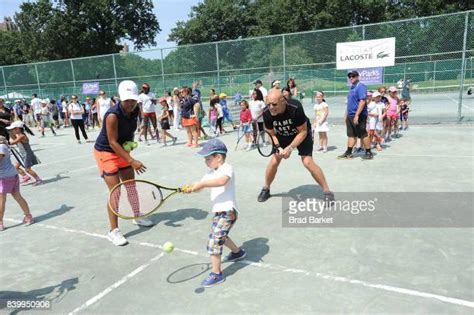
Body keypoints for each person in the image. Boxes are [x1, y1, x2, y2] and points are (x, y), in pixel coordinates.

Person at [94, 80, 152, 246]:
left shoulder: (135, 110)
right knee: (116, 192)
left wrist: (130, 145)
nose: (130, 104)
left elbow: (128, 132)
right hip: (106, 151)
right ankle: (113, 231)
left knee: (131, 185)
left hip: (122, 150)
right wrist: (131, 160)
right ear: (120, 98)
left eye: (133, 100)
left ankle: (137, 216)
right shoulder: (112, 115)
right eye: (127, 100)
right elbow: (112, 142)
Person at [184, 139, 246, 287]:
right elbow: (200, 186)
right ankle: (237, 253)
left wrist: (202, 184)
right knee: (221, 237)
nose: (206, 161)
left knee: (214, 240)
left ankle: (216, 273)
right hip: (219, 212)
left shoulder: (226, 168)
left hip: (228, 211)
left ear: (219, 157)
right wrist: (191, 188)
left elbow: (222, 182)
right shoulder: (210, 173)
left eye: (208, 158)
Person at [257, 89, 333, 202]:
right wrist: (278, 147)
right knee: (274, 161)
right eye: (269, 104)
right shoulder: (266, 112)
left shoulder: (295, 107)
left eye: (274, 104)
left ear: (283, 101)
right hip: (281, 135)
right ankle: (266, 189)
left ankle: (327, 191)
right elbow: (272, 134)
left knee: (307, 162)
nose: (271, 107)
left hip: (301, 133)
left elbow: (302, 132)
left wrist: (290, 148)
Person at [0, 136, 34, 231]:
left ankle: (0, 223)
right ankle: (28, 216)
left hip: (4, 177)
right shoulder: (3, 145)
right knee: (17, 196)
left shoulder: (1, 146)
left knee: (2, 200)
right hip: (11, 175)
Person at [338, 71, 373, 160]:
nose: (351, 78)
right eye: (349, 76)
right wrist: (346, 114)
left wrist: (357, 115)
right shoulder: (352, 88)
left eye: (353, 76)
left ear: (357, 76)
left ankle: (368, 152)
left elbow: (362, 101)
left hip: (359, 115)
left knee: (363, 134)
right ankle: (348, 152)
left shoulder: (361, 86)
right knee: (351, 134)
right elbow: (350, 103)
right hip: (350, 115)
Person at [6, 121, 42, 185]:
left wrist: (4, 142)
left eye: (13, 129)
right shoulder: (18, 135)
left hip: (26, 154)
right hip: (22, 154)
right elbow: (12, 138)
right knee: (15, 167)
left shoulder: (22, 136)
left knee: (27, 169)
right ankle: (26, 177)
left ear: (18, 129)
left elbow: (13, 142)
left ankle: (38, 179)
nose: (12, 130)